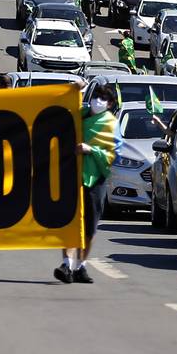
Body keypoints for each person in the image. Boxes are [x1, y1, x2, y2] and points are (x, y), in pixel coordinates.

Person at [54, 83, 117, 285]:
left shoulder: (111, 124)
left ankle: (80, 266)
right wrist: (75, 88)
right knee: (70, 221)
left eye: (104, 98)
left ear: (110, 104)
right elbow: (60, 107)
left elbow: (112, 156)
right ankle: (66, 264)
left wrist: (92, 150)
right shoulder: (78, 114)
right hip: (72, 175)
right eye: (96, 96)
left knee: (89, 227)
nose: (98, 101)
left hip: (95, 179)